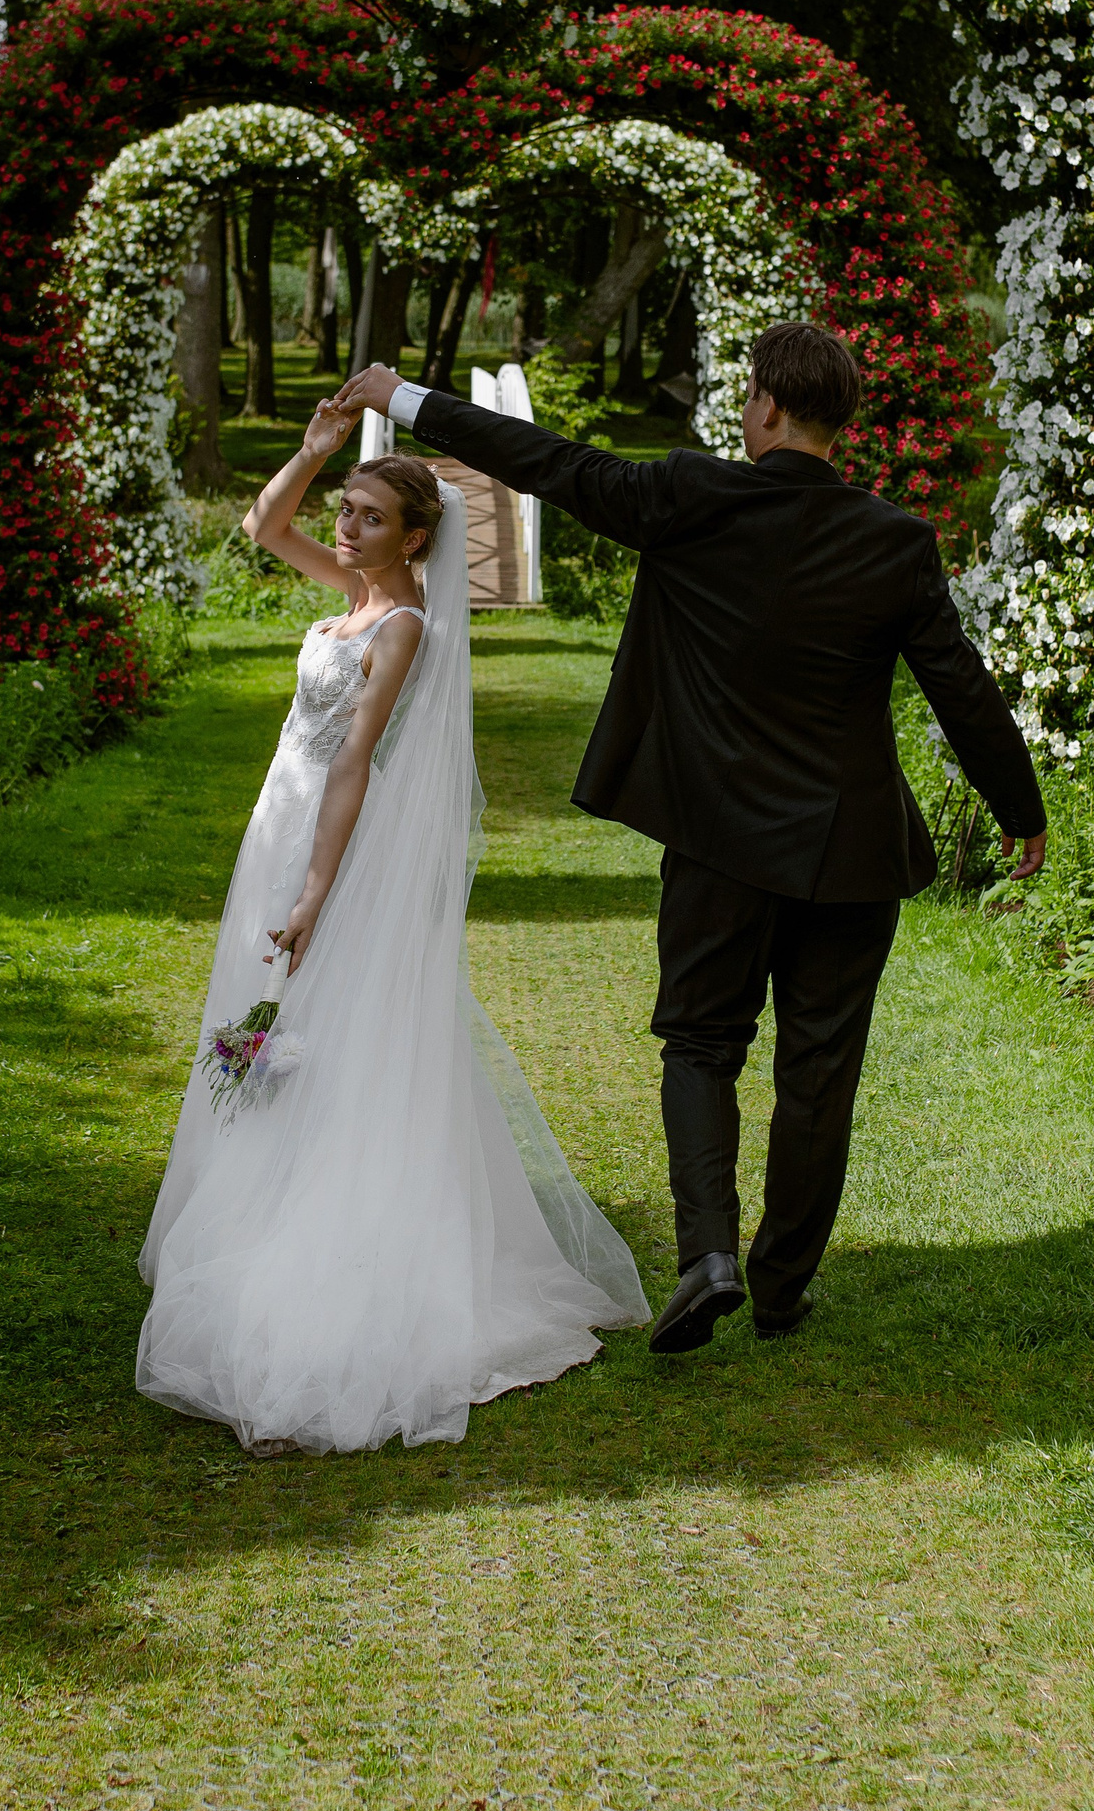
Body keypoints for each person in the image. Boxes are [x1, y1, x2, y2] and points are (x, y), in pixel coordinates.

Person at [339, 321, 1045, 1357]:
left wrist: (403, 398)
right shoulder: (895, 540)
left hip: (719, 839)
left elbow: (546, 461)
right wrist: (1021, 810)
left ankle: (709, 1253)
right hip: (850, 850)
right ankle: (782, 1288)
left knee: (703, 1045)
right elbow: (961, 687)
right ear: (837, 423)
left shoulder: (689, 496)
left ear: (767, 408)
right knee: (820, 1072)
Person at [136, 392, 649, 1456]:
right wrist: (314, 451)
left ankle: (321, 1228)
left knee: (326, 1035)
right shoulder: (354, 595)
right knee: (270, 1022)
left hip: (329, 847)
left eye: (370, 517)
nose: (346, 526)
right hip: (278, 827)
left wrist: (316, 891)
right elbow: (263, 527)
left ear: (416, 540)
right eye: (348, 509)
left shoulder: (404, 625)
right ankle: (255, 1197)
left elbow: (355, 764)